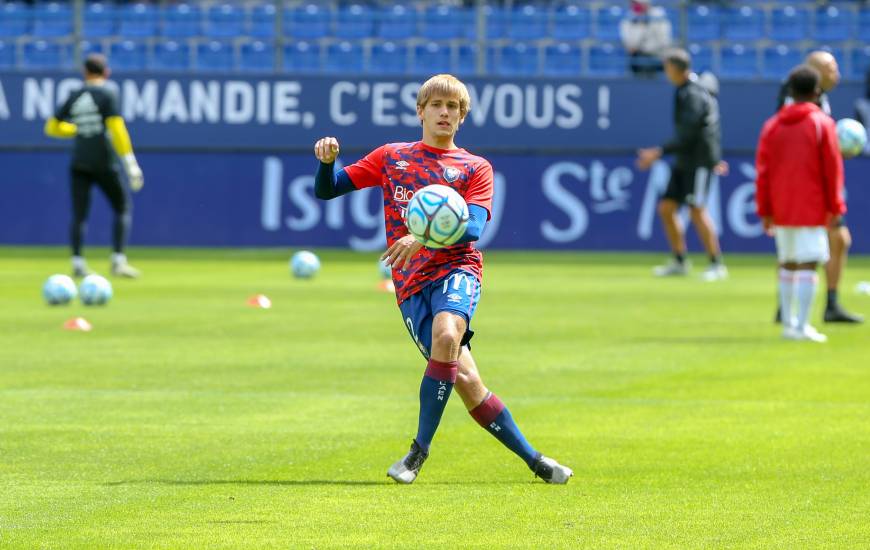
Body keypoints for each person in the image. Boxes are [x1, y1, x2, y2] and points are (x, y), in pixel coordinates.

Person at [312, 74, 573, 485]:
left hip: (457, 269)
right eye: (437, 105)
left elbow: (473, 228)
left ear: (462, 117)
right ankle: (537, 461)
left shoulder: (474, 167)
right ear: (421, 111)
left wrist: (423, 236)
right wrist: (326, 164)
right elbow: (328, 191)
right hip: (411, 285)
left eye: (454, 108)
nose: (445, 113)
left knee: (448, 334)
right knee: (468, 382)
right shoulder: (391, 157)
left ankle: (418, 453)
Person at [756, 65, 845, 342]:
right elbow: (832, 169)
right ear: (817, 92)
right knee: (808, 264)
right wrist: (835, 206)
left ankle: (788, 324)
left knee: (787, 263)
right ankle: (802, 326)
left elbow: (763, 171)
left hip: (782, 206)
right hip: (811, 205)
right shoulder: (822, 123)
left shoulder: (772, 125)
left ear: (790, 91)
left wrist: (765, 209)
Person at [775, 50, 862, 323]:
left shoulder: (818, 99)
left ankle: (794, 307)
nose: (837, 73)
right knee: (812, 248)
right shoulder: (795, 100)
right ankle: (807, 310)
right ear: (815, 70)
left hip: (806, 184)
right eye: (831, 68)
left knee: (825, 243)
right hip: (808, 187)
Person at [44, 54, 144, 278]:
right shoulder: (108, 92)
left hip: (79, 161)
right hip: (103, 160)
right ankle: (118, 260)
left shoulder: (75, 94)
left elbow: (51, 127)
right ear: (106, 72)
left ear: (85, 72)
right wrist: (130, 164)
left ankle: (78, 261)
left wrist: (77, 129)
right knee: (122, 208)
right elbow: (117, 128)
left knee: (79, 214)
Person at [636, 48, 727, 281]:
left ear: (675, 68)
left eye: (666, 67)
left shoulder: (693, 94)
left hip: (698, 161)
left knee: (697, 210)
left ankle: (716, 264)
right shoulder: (685, 91)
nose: (665, 72)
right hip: (685, 160)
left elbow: (692, 132)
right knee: (666, 208)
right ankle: (679, 260)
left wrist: (658, 152)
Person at [619, 0, 672, 76]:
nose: (637, 5)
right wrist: (641, 24)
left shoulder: (659, 16)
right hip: (639, 57)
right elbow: (631, 46)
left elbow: (664, 41)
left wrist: (649, 21)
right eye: (634, 3)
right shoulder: (628, 19)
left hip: (657, 56)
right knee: (638, 62)